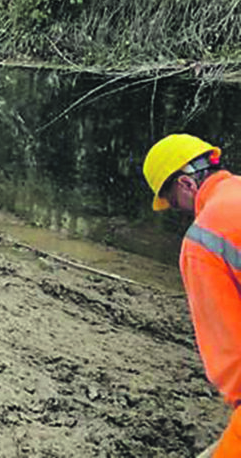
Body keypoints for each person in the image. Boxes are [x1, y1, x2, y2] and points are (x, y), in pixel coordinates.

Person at [144, 133, 241, 456]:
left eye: (174, 202)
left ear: (186, 184)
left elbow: (232, 357)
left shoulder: (204, 241)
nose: (181, 212)